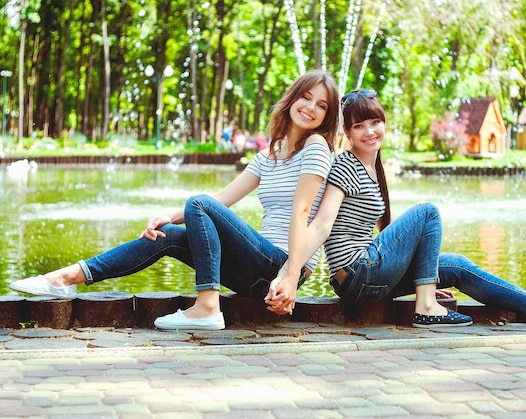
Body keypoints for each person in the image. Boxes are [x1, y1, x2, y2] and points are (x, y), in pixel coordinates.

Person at [10, 69, 341, 331]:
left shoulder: (316, 147)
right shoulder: (271, 152)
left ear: (327, 115)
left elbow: (302, 213)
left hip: (281, 266)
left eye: (321, 105)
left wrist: (290, 276)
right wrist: (168, 216)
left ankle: (208, 306)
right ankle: (66, 279)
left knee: (197, 203)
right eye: (306, 98)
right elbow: (224, 198)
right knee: (164, 236)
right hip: (256, 271)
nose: (310, 108)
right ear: (292, 99)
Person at [266, 88, 526, 330]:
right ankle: (427, 307)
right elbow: (322, 224)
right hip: (356, 274)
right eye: (358, 126)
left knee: (455, 266)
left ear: (384, 122)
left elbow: (392, 241)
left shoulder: (373, 168)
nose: (369, 131)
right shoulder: (345, 165)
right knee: (427, 211)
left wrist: (421, 275)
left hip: (366, 276)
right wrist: (289, 273)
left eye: (374, 122)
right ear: (348, 133)